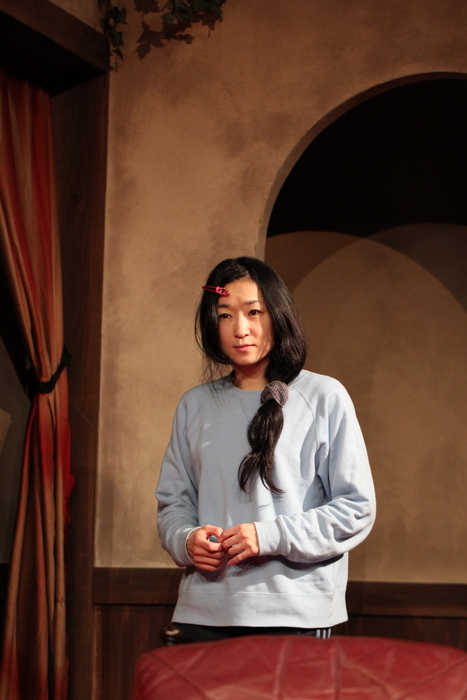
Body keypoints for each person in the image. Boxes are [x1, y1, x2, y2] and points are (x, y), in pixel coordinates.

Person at [156, 256, 376, 643]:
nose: (240, 329)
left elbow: (356, 508)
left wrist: (269, 535)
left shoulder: (324, 397)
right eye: (225, 315)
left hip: (296, 614)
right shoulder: (195, 405)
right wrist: (186, 541)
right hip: (204, 612)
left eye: (253, 312)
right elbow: (173, 504)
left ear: (278, 314)